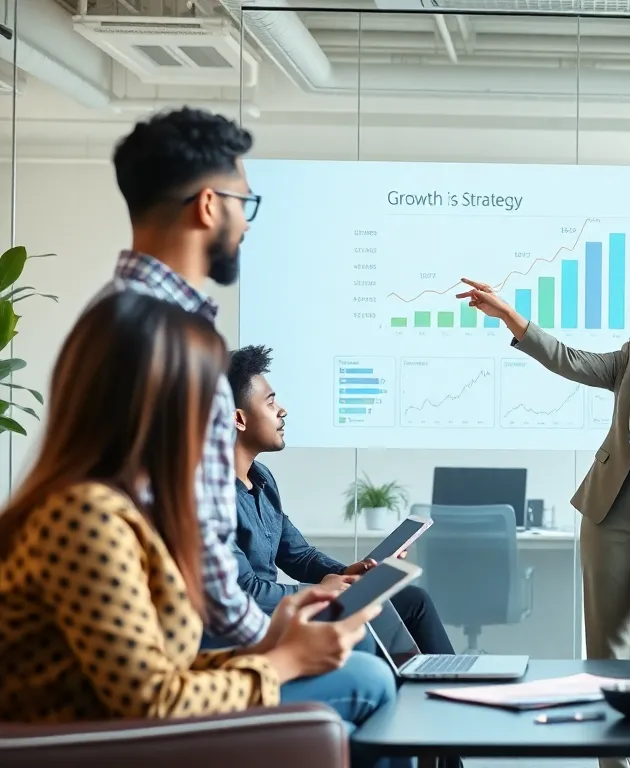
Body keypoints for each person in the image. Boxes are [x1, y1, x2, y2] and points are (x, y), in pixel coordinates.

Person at [0, 293, 389, 741]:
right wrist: (283, 661)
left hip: (120, 724)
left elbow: (157, 669)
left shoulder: (124, 504)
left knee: (362, 674)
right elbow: (153, 701)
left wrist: (272, 641)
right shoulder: (86, 517)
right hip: (99, 743)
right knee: (368, 681)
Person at [459, 272, 630, 768]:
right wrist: (508, 315)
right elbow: (567, 359)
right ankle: (614, 761)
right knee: (607, 642)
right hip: (610, 510)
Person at [94, 106, 268, 648]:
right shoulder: (168, 339)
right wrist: (274, 638)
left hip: (144, 623)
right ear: (210, 205)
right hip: (172, 638)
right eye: (244, 202)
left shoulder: (111, 313)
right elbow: (198, 541)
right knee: (366, 673)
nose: (244, 221)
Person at [229, 344, 456, 655]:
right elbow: (246, 592)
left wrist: (347, 573)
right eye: (270, 403)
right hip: (259, 622)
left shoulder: (262, 479)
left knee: (413, 601)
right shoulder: (214, 497)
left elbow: (298, 556)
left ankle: (446, 682)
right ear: (238, 420)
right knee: (365, 629)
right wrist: (321, 592)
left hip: (290, 607)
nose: (282, 410)